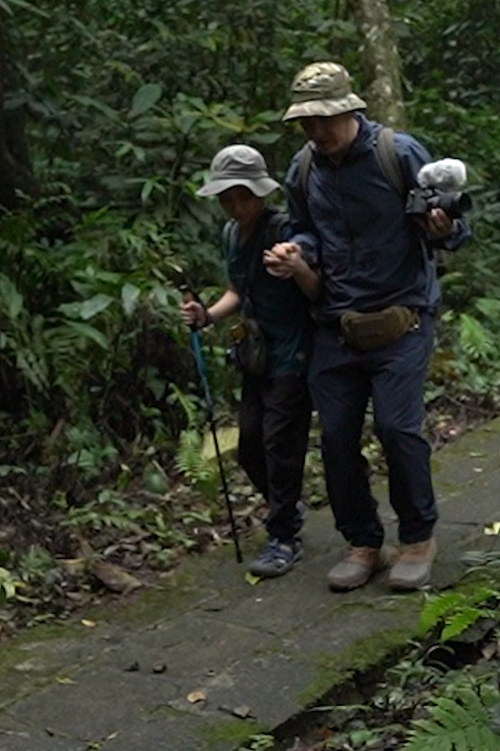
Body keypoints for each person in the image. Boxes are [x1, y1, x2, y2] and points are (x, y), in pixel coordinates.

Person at [264, 62, 468, 592]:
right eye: (306, 123)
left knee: (398, 430)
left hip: (402, 315)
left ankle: (418, 538)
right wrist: (295, 252)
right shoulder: (303, 169)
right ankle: (363, 541)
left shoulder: (397, 153)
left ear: (348, 110)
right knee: (335, 438)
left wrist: (442, 227)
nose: (315, 131)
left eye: (323, 120)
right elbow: (304, 229)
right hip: (336, 321)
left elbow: (449, 228)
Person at [182, 144, 319, 578]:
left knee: (281, 442)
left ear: (259, 194)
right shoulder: (230, 234)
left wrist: (294, 265)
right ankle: (288, 507)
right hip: (257, 356)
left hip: (293, 352)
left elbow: (315, 287)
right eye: (227, 198)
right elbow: (236, 292)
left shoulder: (283, 230)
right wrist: (206, 316)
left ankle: (283, 536)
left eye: (243, 196)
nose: (236, 206)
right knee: (249, 447)